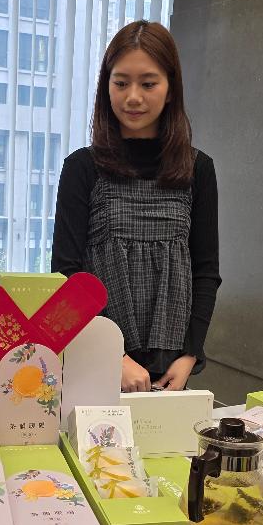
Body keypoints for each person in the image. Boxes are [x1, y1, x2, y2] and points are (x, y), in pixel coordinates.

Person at [51, 20, 220, 393]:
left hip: (171, 366)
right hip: (97, 360)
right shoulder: (82, 166)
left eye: (148, 83)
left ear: (170, 88)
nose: (133, 97)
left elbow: (206, 270)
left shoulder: (198, 168)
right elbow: (66, 274)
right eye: (121, 82)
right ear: (106, 86)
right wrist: (112, 355)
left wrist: (190, 354)